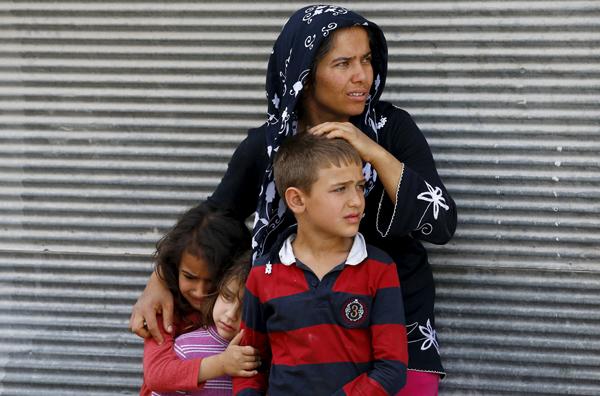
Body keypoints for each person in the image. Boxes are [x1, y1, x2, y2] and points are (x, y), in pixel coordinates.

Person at [131, 5, 456, 395]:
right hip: (299, 340)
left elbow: (440, 224)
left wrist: (373, 152)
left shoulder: (391, 129)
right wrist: (159, 281)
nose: (362, 76)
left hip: (394, 332)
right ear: (305, 71)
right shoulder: (268, 147)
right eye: (343, 63)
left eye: (367, 59)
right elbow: (214, 219)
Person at [234, 133, 408, 395]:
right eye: (340, 189)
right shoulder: (263, 275)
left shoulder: (379, 269)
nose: (357, 201)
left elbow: (391, 369)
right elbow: (249, 366)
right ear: (297, 200)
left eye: (359, 186)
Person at [139, 205, 259, 396]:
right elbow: (157, 375)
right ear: (175, 267)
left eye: (212, 281)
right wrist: (220, 364)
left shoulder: (235, 313)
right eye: (189, 277)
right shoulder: (166, 311)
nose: (200, 291)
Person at [153, 253, 252, 396]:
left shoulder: (262, 355)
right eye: (227, 296)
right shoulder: (185, 349)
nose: (231, 315)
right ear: (217, 292)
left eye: (246, 309)